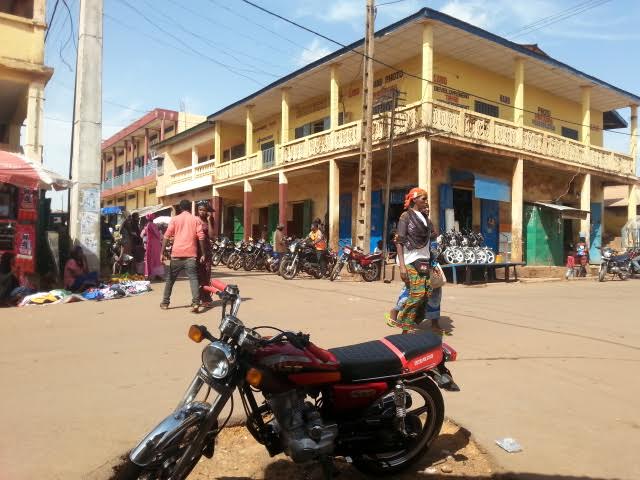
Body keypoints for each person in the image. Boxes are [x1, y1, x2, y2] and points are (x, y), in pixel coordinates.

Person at [387, 187, 433, 333]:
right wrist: (402, 266)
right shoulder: (405, 216)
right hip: (409, 260)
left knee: (426, 293)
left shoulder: (425, 218)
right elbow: (399, 241)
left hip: (424, 260)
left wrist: (428, 217)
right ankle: (405, 325)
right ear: (414, 200)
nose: (426, 202)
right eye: (423, 199)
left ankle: (407, 322)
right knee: (418, 293)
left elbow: (434, 235)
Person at [160, 199, 206, 312]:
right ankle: (196, 303)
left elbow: (166, 236)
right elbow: (201, 237)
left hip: (176, 254)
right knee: (193, 279)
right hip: (191, 255)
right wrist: (203, 253)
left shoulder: (175, 219)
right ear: (190, 208)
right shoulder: (196, 219)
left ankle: (165, 303)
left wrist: (162, 252)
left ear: (180, 208)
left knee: (170, 280)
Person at [196, 200, 216, 306]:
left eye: (204, 210)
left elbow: (212, 236)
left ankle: (206, 298)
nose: (201, 212)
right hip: (196, 251)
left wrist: (208, 221)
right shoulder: (195, 220)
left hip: (207, 251)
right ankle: (197, 298)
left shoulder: (210, 220)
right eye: (200, 210)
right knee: (197, 275)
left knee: (206, 275)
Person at [141, 213, 165, 281]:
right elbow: (158, 235)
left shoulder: (147, 226)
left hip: (150, 244)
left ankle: (149, 275)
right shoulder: (153, 225)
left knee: (149, 259)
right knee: (156, 259)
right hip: (155, 244)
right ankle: (157, 275)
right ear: (153, 218)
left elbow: (141, 235)